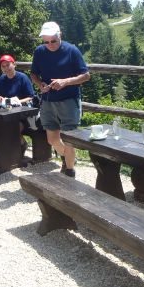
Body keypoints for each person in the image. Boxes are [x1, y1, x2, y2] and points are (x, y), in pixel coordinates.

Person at [30, 21, 90, 178]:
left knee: (69, 138)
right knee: (52, 140)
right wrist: (40, 84)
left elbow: (86, 76)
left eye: (53, 41)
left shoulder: (72, 51)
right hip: (48, 100)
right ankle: (68, 157)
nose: (50, 44)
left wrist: (65, 82)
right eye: (46, 41)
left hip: (69, 100)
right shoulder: (39, 52)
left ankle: (70, 171)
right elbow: (34, 74)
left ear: (60, 36)